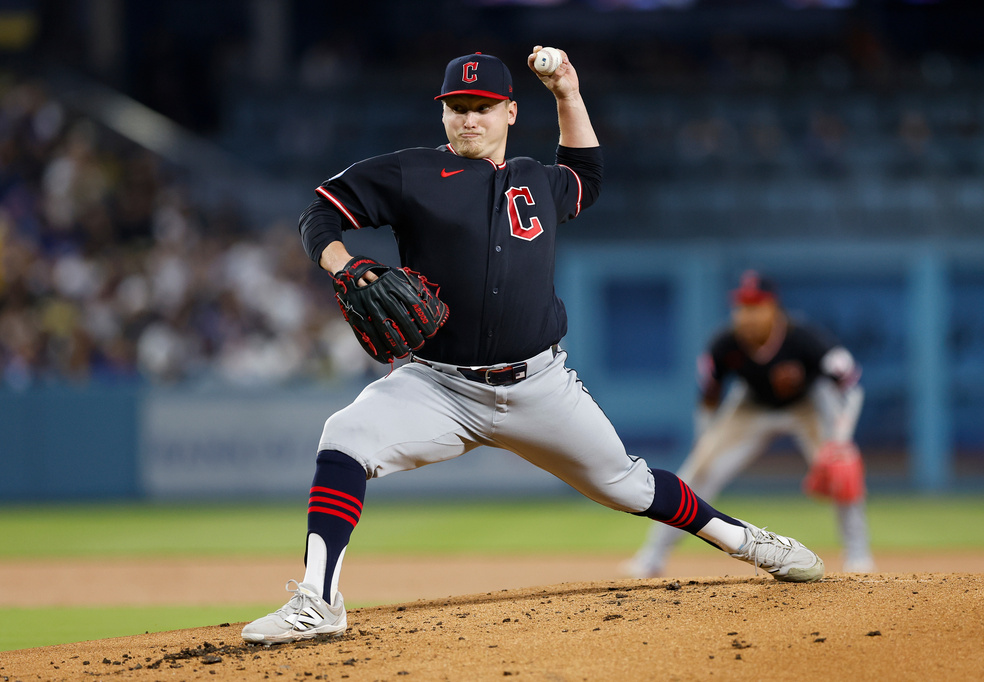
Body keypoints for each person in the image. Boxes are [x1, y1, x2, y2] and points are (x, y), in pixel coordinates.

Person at [241, 47, 825, 645]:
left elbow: (587, 176)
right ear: (442, 113)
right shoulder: (410, 173)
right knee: (344, 435)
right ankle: (319, 600)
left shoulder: (537, 180)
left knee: (630, 486)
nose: (470, 118)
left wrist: (568, 93)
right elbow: (320, 213)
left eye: (484, 107)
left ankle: (750, 542)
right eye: (458, 107)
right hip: (439, 385)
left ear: (511, 112)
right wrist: (343, 264)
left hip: (540, 385)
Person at [624, 271, 874, 579]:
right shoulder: (725, 343)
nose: (747, 315)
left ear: (774, 308)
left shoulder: (804, 338)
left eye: (756, 306)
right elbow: (709, 397)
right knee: (698, 471)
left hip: (806, 406)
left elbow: (851, 386)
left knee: (842, 470)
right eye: (742, 306)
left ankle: (859, 555)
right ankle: (652, 555)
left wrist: (841, 439)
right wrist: (705, 441)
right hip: (750, 406)